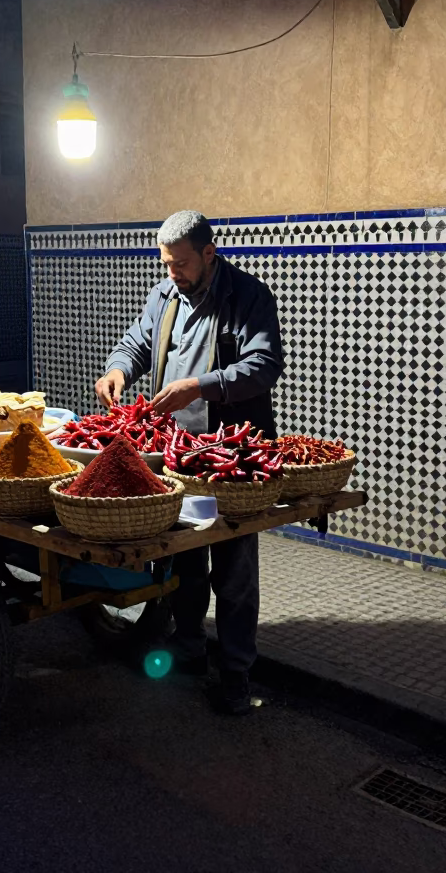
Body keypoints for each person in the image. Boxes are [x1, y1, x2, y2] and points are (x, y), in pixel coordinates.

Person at [95, 210, 283, 715]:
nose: (171, 271)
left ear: (208, 254)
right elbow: (136, 341)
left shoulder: (248, 297)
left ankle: (237, 672)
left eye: (180, 263)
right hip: (175, 456)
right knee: (184, 556)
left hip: (229, 461)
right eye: (166, 262)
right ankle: (190, 647)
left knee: (234, 567)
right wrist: (117, 370)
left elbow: (264, 366)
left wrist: (199, 385)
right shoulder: (164, 296)